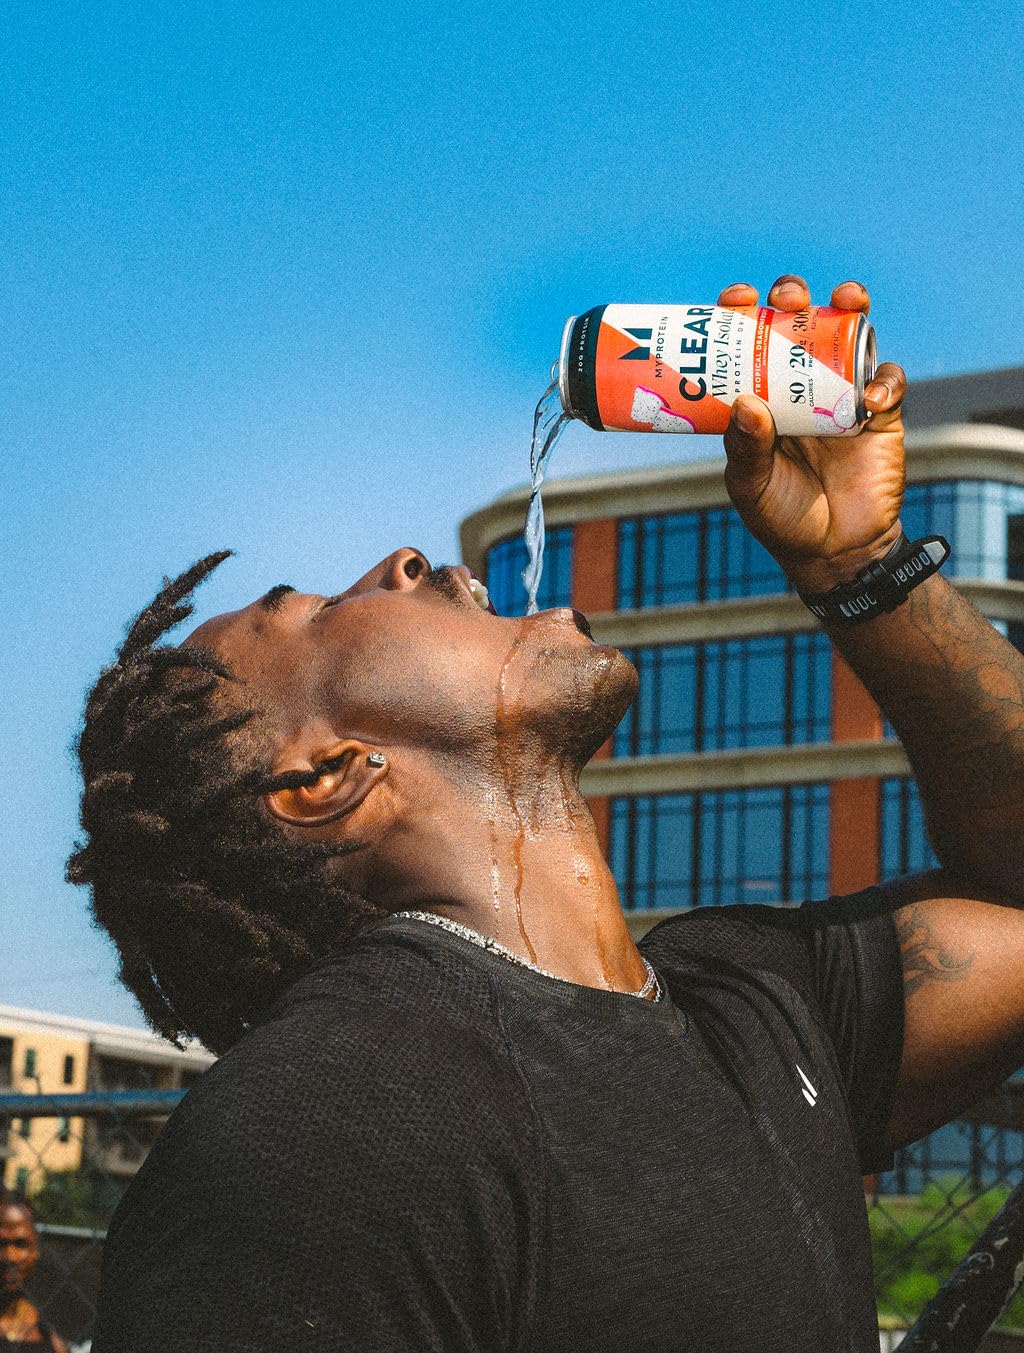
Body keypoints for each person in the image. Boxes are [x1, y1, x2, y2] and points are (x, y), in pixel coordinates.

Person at [68, 276, 1024, 1352]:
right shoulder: (317, 1138)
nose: (405, 560)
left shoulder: (749, 1000)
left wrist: (860, 566)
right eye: (326, 609)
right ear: (325, 777)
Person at [0, 1191, 69, 1352]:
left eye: (21, 1244)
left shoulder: (48, 1336)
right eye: (1, 1243)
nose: (10, 1257)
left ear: (35, 1251)